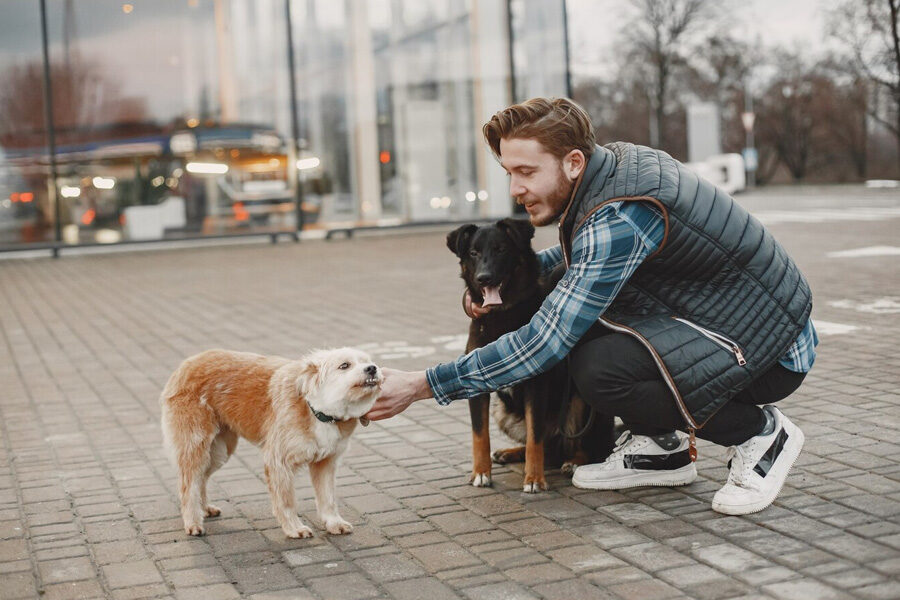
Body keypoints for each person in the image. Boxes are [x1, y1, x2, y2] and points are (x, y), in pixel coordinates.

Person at [366, 97, 817, 516]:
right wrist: (503, 283)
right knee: (593, 330)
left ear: (573, 162)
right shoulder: (611, 170)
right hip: (733, 323)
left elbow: (545, 341)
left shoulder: (618, 212)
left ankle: (760, 435)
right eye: (509, 173)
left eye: (526, 171)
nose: (516, 189)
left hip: (767, 351)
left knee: (599, 367)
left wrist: (424, 384)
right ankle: (660, 449)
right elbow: (576, 257)